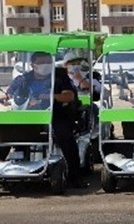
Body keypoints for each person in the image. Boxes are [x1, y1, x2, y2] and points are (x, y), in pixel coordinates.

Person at [3, 52, 88, 188]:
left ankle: (74, 177)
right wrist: (6, 97)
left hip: (55, 116)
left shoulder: (60, 77)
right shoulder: (24, 79)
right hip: (28, 118)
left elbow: (69, 96)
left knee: (65, 136)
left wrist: (51, 96)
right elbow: (9, 93)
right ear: (33, 65)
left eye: (48, 62)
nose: (45, 66)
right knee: (5, 132)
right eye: (42, 63)